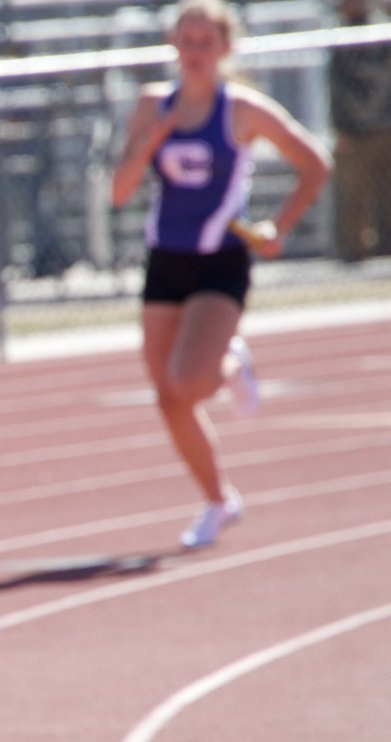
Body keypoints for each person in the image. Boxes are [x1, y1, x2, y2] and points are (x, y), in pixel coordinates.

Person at [110, 0, 331, 548]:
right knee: (168, 397)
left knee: (189, 379)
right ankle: (217, 500)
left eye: (205, 42)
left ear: (225, 49)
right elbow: (119, 192)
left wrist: (279, 226)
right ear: (173, 47)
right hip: (166, 260)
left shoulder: (242, 111)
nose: (194, 53)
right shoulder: (152, 105)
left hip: (220, 261)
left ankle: (232, 360)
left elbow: (315, 162)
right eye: (186, 42)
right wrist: (152, 141)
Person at [328, 0, 391, 262]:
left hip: (384, 128)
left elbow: (376, 81)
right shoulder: (340, 34)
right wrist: (342, 127)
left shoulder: (381, 31)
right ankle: (352, 259)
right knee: (351, 200)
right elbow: (337, 88)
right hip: (353, 134)